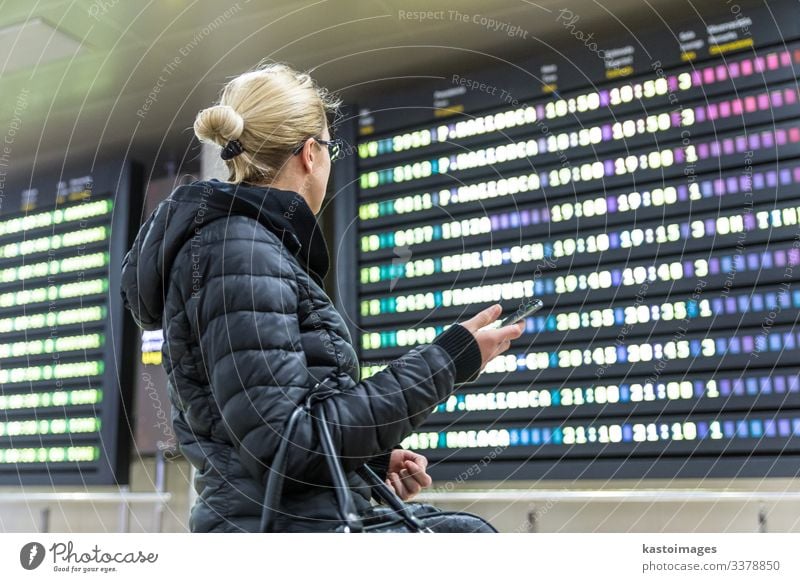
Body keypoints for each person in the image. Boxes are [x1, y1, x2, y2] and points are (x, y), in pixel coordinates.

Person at [119, 62, 524, 533]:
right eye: (329, 148)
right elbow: (284, 446)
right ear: (310, 154)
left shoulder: (240, 248)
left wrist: (367, 461)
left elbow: (265, 429)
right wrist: (446, 362)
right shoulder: (241, 253)